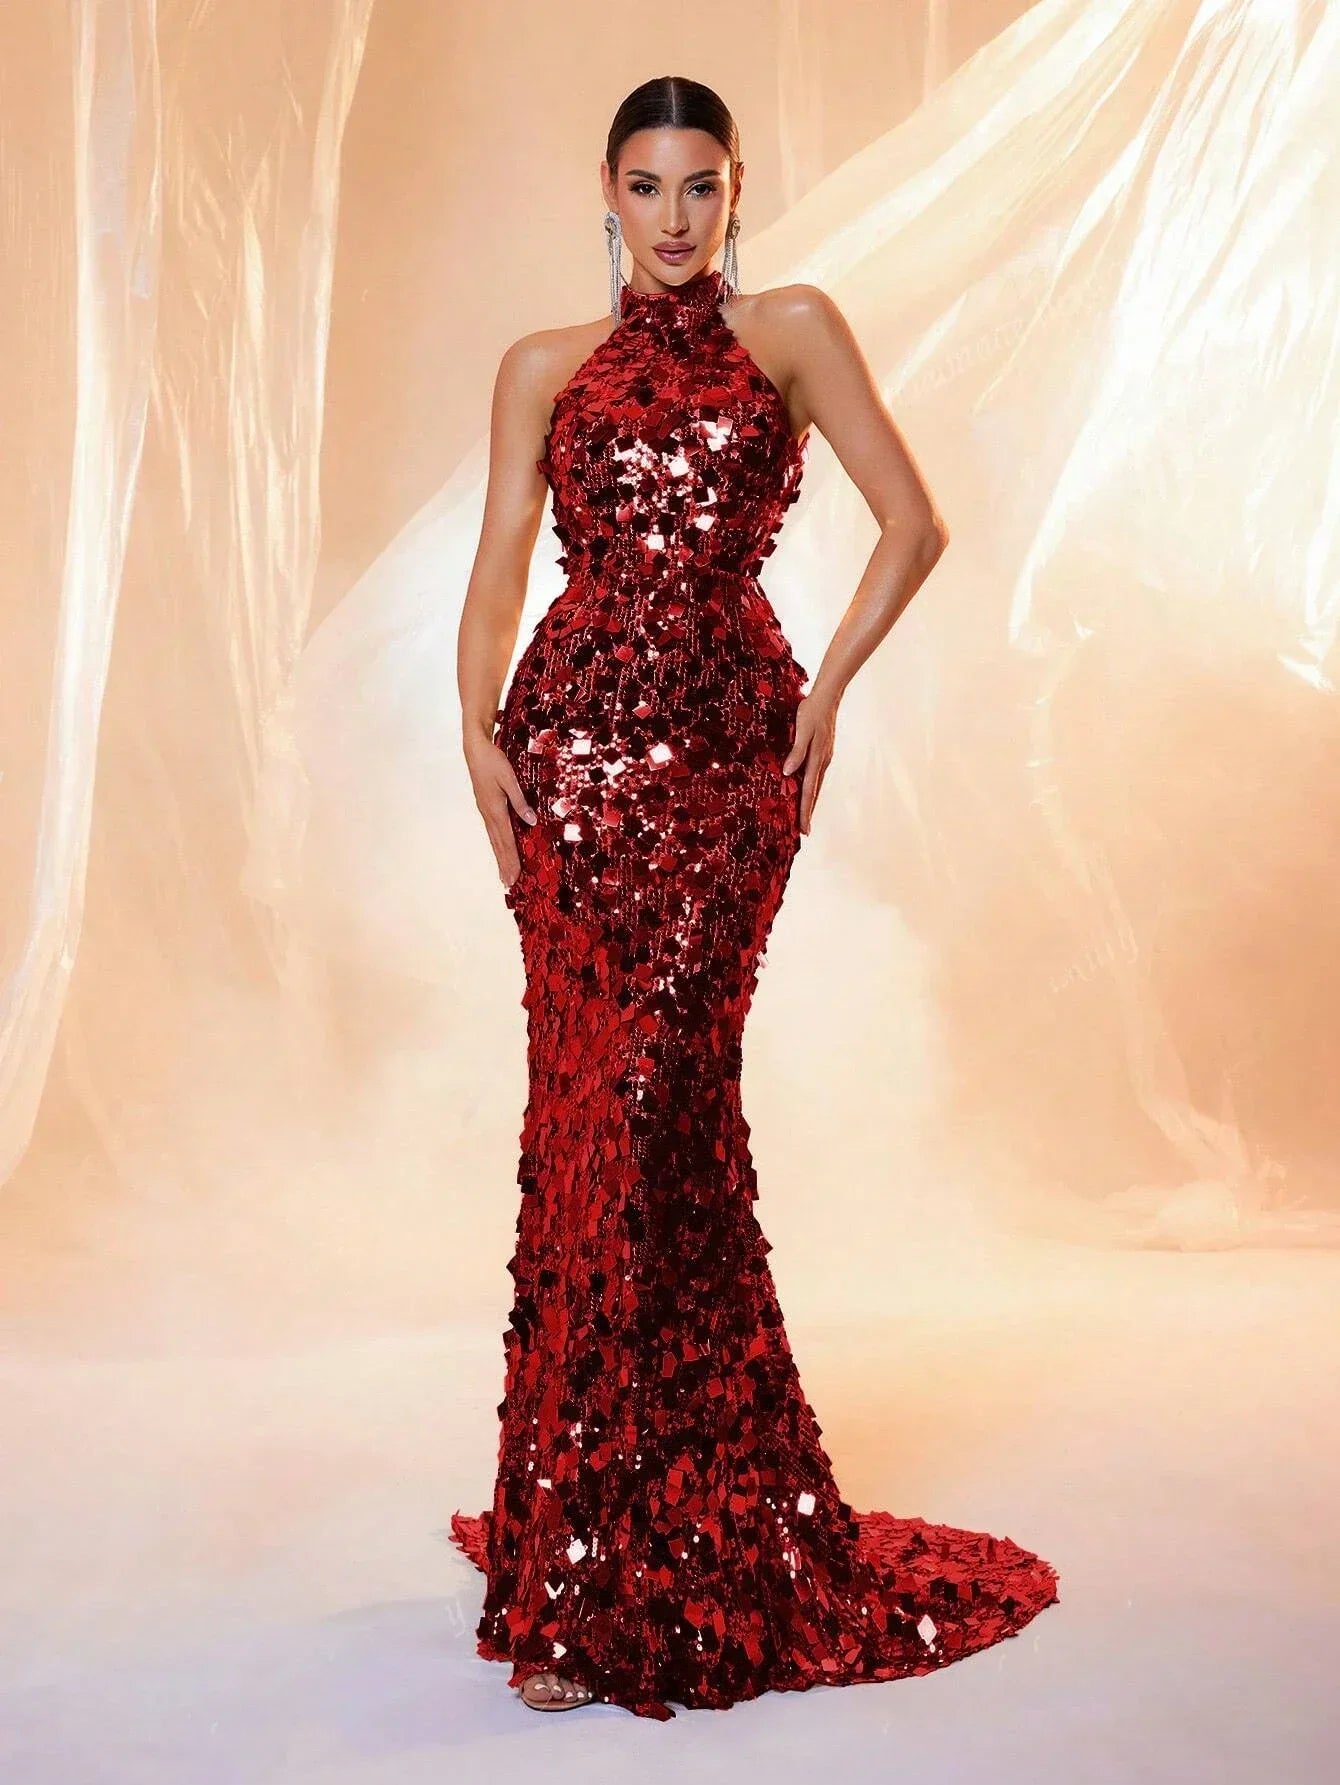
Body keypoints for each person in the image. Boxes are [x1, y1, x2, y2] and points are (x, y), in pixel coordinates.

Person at [451, 73, 1058, 1719]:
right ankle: (579, 1549)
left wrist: (829, 689)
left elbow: (913, 523)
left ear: (735, 193)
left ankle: (673, 1536)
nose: (674, 216)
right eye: (646, 186)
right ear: (606, 192)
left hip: (728, 765)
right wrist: (471, 725)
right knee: (589, 1119)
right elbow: (502, 558)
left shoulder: (790, 330)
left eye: (700, 186)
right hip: (571, 759)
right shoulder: (540, 366)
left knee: (662, 1103)